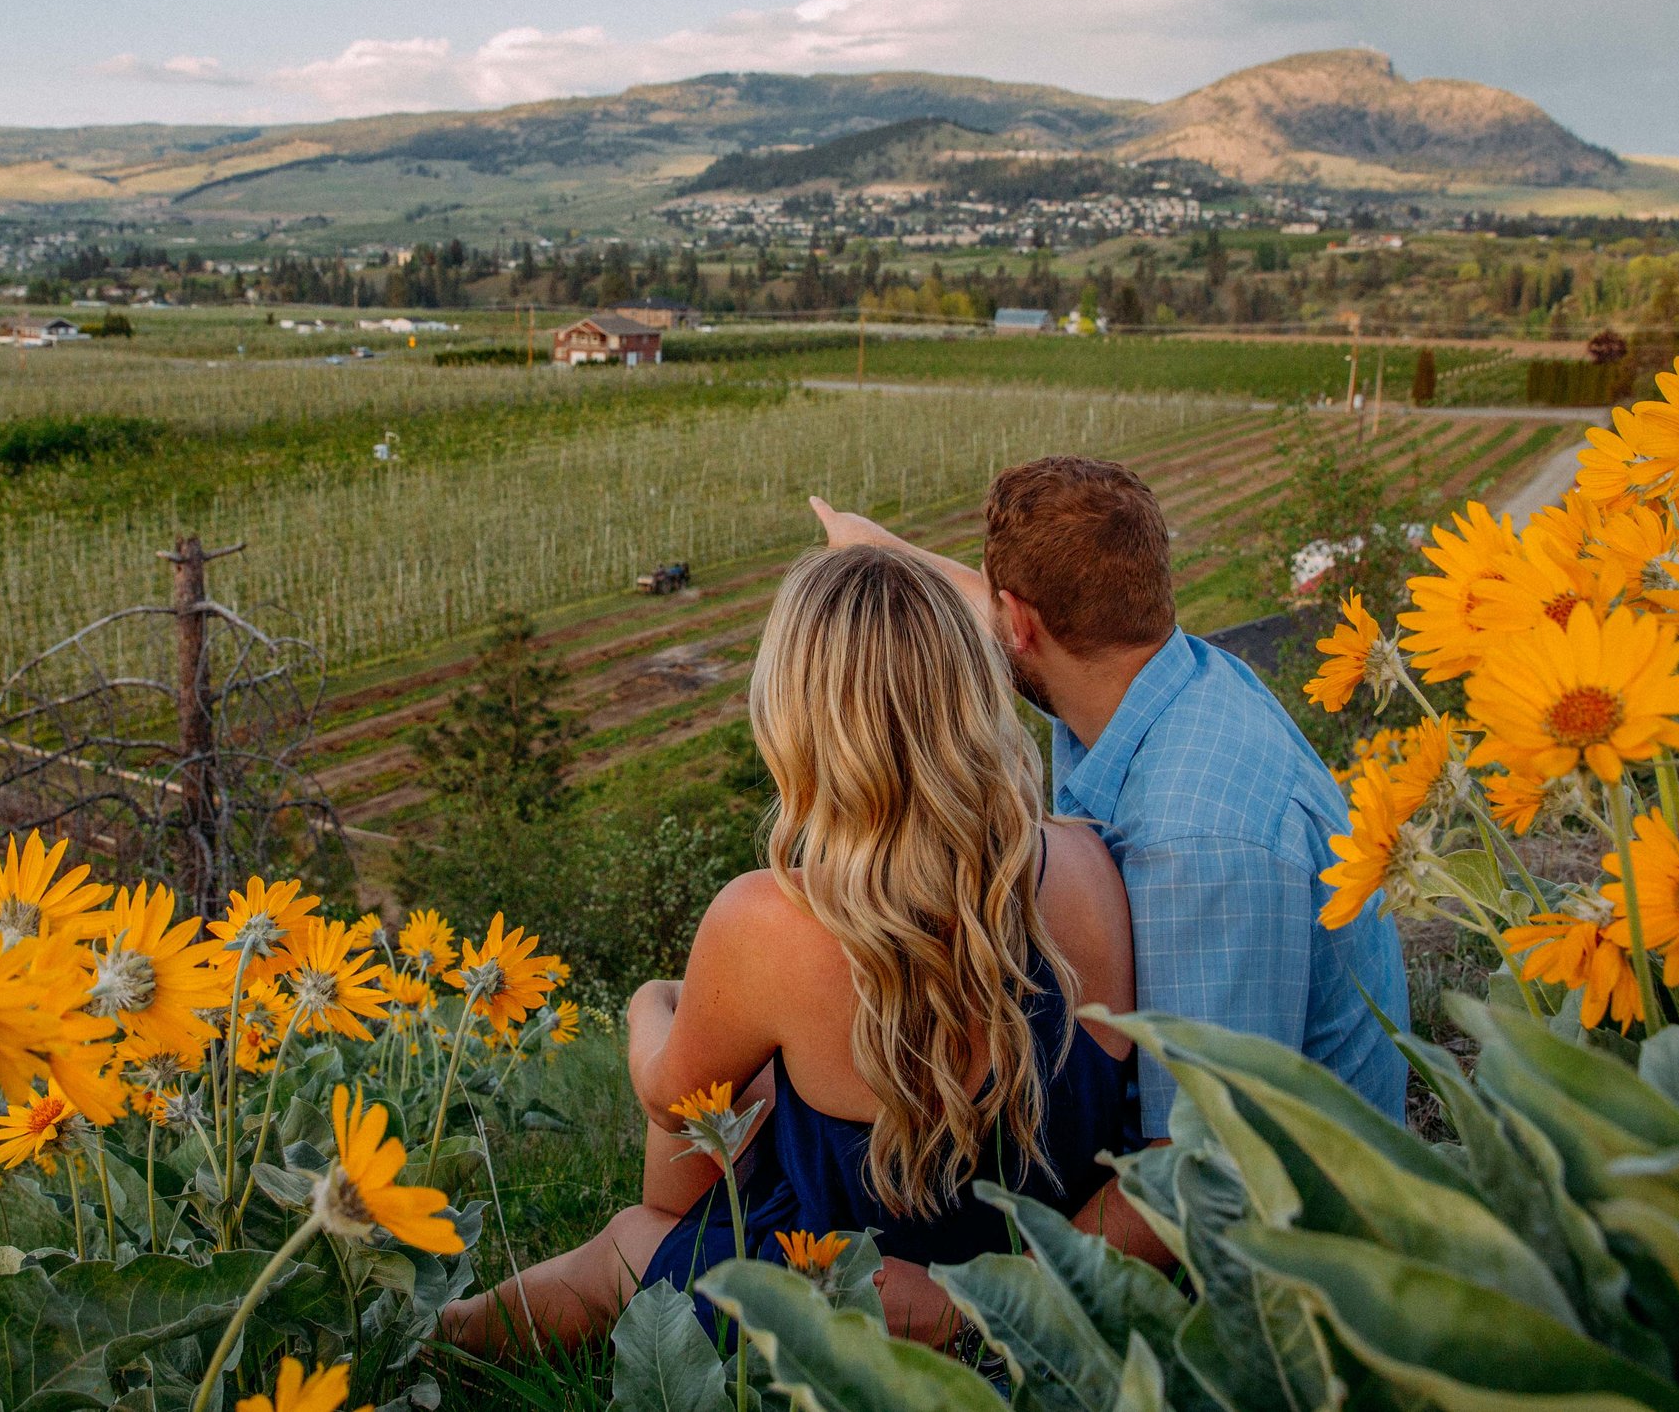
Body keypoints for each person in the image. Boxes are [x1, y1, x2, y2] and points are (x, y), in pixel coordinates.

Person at [440, 542, 1137, 1352]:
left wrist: (648, 1003)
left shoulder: (767, 918)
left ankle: (435, 1344)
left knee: (632, 1237)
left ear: (797, 719)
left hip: (849, 1297)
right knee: (761, 1075)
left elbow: (673, 1105)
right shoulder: (1087, 865)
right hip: (1030, 1293)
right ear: (973, 695)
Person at [808, 455, 1410, 1273]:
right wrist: (881, 549)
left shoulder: (1193, 845)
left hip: (1302, 1253)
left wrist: (981, 1299)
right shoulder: (1165, 675)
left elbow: (1208, 1165)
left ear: (1021, 622)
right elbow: (1003, 619)